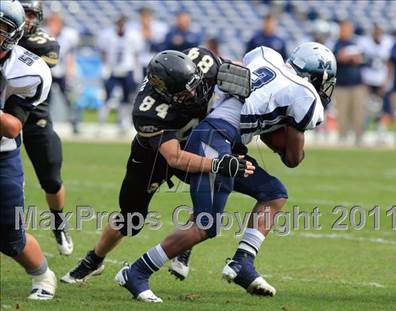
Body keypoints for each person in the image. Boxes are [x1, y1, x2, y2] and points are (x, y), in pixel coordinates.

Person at [115, 43, 337, 302]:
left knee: (274, 193)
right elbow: (293, 158)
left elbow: (255, 111)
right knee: (206, 224)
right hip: (214, 138)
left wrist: (274, 121)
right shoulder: (306, 95)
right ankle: (137, 272)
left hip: (223, 137)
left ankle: (242, 263)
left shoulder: (268, 56)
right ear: (314, 77)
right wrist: (288, 127)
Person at [61, 47, 254, 288]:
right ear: (166, 92)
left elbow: (233, 69)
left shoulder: (203, 61)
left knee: (209, 193)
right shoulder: (148, 109)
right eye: (184, 93)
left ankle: (185, 245)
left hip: (195, 141)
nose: (194, 93)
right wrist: (217, 163)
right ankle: (94, 259)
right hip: (154, 157)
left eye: (194, 84)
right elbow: (174, 157)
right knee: (131, 220)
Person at [0, 0, 56, 299]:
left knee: (10, 236)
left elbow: (11, 126)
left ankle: (43, 277)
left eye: (2, 29)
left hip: (2, 153)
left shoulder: (28, 70)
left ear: (15, 33)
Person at [19, 0, 73, 256]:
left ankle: (59, 223)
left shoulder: (45, 43)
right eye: (24, 13)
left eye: (32, 14)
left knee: (51, 178)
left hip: (32, 115)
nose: (28, 19)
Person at [97, 16, 142, 133]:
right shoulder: (108, 36)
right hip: (112, 70)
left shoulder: (133, 36)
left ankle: (123, 123)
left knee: (127, 98)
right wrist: (105, 67)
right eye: (119, 23)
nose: (121, 26)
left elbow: (136, 54)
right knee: (107, 96)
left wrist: (137, 71)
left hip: (127, 70)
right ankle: (101, 123)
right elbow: (103, 52)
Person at [333, 19, 367, 144]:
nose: (345, 31)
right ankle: (342, 136)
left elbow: (366, 60)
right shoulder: (336, 44)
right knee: (342, 113)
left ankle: (359, 137)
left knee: (358, 112)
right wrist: (342, 58)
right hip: (342, 84)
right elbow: (333, 61)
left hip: (357, 83)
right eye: (343, 28)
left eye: (347, 28)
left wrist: (358, 59)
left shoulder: (357, 43)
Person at [46, 11, 79, 133]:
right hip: (48, 72)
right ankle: (45, 124)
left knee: (68, 99)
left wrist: (70, 72)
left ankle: (74, 123)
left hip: (62, 72)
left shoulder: (67, 37)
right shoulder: (46, 35)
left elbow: (70, 56)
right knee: (46, 101)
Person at [130, 7, 168, 77]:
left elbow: (162, 46)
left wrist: (151, 36)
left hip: (155, 60)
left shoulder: (160, 27)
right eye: (143, 15)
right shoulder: (133, 28)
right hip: (138, 62)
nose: (145, 18)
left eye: (147, 15)